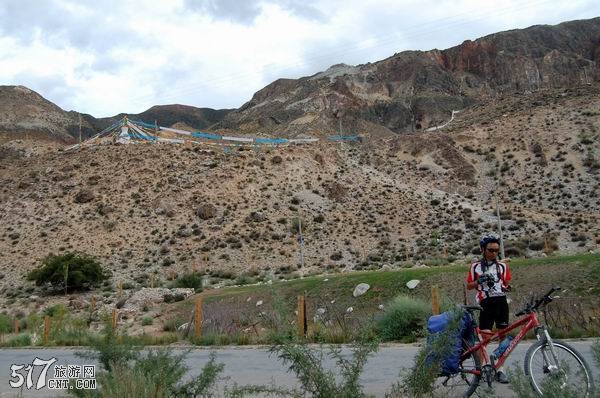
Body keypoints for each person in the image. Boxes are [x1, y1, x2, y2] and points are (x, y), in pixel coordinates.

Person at [466, 235, 512, 384]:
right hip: (485, 303)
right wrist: (479, 280)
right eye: (490, 250)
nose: (494, 253)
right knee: (484, 338)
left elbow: (504, 283)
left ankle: (500, 369)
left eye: (496, 251)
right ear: (483, 249)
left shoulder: (503, 266)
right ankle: (484, 367)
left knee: (503, 337)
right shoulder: (475, 267)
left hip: (501, 302)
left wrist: (507, 288)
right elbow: (469, 285)